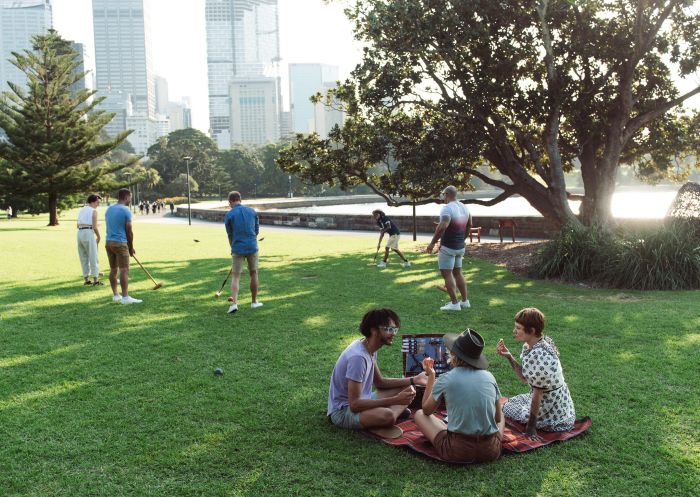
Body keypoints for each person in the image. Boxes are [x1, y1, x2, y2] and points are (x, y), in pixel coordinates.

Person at [328, 308, 428, 437]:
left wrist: (414, 380)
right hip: (342, 412)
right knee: (388, 416)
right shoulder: (358, 357)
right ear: (373, 330)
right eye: (388, 329)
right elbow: (354, 405)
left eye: (394, 329)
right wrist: (395, 400)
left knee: (408, 388)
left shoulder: (369, 347)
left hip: (364, 400)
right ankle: (382, 420)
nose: (393, 334)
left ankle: (379, 418)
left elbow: (380, 382)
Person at [413, 329, 505, 463]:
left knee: (419, 414)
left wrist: (431, 376)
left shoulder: (446, 378)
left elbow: (426, 410)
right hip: (491, 451)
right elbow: (497, 417)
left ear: (454, 354)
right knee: (501, 412)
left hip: (457, 451)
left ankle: (449, 429)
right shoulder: (489, 376)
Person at [496, 308, 576, 439]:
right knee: (511, 402)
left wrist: (531, 428)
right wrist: (509, 357)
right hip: (556, 401)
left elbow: (537, 393)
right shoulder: (537, 344)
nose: (514, 331)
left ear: (532, 331)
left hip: (551, 408)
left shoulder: (539, 355)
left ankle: (537, 423)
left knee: (505, 407)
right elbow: (524, 378)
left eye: (518, 328)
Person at [425, 185, 471, 311]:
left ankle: (454, 304)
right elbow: (469, 225)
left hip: (448, 247)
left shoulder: (447, 208)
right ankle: (465, 301)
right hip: (460, 246)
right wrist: (462, 239)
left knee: (447, 274)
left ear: (446, 194)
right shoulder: (464, 207)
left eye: (443, 195)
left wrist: (432, 243)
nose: (443, 197)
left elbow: (443, 226)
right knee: (458, 272)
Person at [224, 191, 262, 314]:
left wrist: (233, 247)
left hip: (237, 247)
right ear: (240, 199)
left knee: (236, 276)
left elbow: (230, 235)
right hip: (252, 246)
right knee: (254, 273)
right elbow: (256, 231)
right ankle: (254, 302)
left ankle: (234, 304)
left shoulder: (229, 215)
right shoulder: (252, 211)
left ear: (230, 201)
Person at [105, 188, 141, 305]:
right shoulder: (126, 210)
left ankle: (116, 295)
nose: (130, 199)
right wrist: (130, 247)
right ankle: (125, 297)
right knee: (124, 270)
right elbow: (129, 231)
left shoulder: (109, 209)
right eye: (130, 197)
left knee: (113, 269)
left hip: (109, 242)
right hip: (120, 243)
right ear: (126, 197)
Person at [76, 194, 103, 286]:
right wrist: (99, 237)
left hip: (80, 233)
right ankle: (96, 280)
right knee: (93, 256)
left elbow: (78, 224)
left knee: (83, 256)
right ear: (93, 201)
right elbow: (95, 227)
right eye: (98, 201)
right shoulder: (94, 211)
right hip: (88, 233)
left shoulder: (82, 209)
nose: (98, 203)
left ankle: (86, 279)